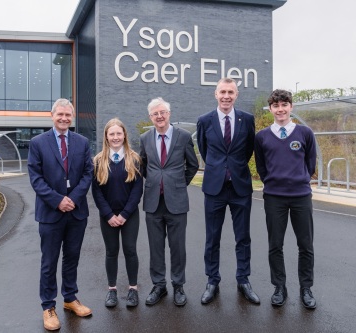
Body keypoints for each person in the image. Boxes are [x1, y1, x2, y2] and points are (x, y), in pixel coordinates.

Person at [28, 98, 93, 331]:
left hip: (76, 212)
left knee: (72, 258)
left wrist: (72, 199)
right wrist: (58, 200)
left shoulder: (82, 142)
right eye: (60, 114)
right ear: (52, 115)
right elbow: (35, 178)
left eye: (68, 115)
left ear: (72, 116)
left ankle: (70, 298)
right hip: (50, 212)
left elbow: (88, 173)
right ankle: (48, 306)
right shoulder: (38, 143)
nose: (64, 118)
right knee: (49, 261)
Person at [196, 77, 259, 305]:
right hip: (214, 188)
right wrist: (219, 169)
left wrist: (234, 167)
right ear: (215, 94)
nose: (226, 96)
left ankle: (243, 280)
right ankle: (212, 281)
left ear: (236, 95)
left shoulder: (247, 119)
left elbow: (249, 148)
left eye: (230, 92)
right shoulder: (204, 121)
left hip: (240, 187)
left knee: (243, 237)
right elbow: (205, 150)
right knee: (212, 238)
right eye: (222, 91)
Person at [254, 89, 317, 309]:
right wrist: (272, 181)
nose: (280, 109)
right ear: (270, 109)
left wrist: (299, 180)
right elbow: (261, 166)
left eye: (284, 105)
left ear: (291, 107)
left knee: (305, 245)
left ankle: (306, 288)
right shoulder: (261, 136)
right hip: (274, 198)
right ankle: (279, 287)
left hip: (301, 197)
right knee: (275, 245)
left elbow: (310, 164)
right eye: (276, 106)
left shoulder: (305, 133)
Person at [139, 97, 199, 306]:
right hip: (153, 201)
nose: (160, 116)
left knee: (177, 247)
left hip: (177, 201)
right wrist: (156, 181)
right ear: (151, 117)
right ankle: (159, 286)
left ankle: (179, 285)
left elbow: (192, 165)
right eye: (155, 113)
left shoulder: (182, 137)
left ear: (169, 114)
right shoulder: (145, 138)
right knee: (155, 247)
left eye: (163, 112)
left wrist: (178, 184)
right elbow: (143, 165)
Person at [91, 118, 143, 308]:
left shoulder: (134, 159)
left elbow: (137, 190)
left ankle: (133, 289)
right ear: (106, 136)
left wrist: (124, 214)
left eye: (118, 133)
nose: (115, 137)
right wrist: (109, 215)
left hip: (129, 215)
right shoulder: (97, 161)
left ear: (124, 135)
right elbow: (96, 191)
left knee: (130, 250)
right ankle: (112, 290)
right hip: (108, 217)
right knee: (111, 252)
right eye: (111, 134)